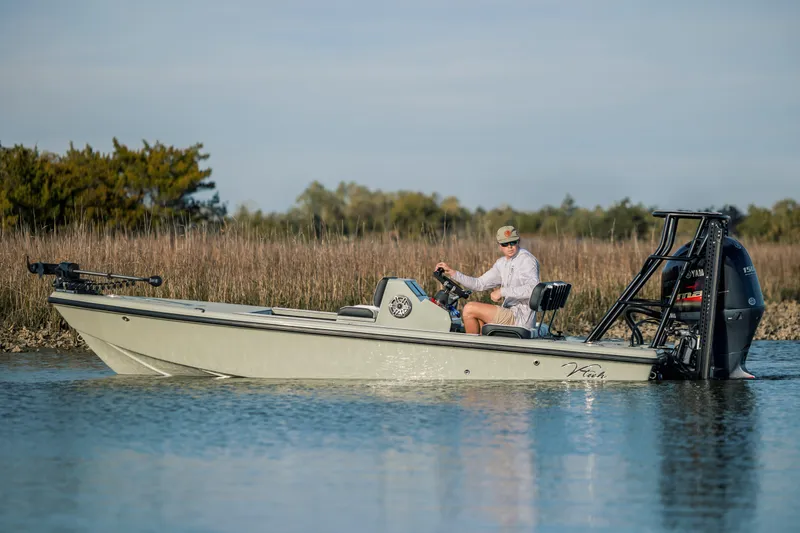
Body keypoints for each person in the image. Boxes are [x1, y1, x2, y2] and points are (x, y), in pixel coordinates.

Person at [436, 226, 540, 334]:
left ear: (518, 241)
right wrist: (453, 273)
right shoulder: (501, 263)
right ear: (499, 245)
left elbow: (533, 289)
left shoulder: (527, 260)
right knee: (479, 318)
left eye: (513, 242)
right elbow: (479, 284)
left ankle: (469, 347)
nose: (509, 247)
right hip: (509, 312)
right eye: (505, 244)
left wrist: (502, 291)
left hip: (521, 318)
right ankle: (480, 348)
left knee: (469, 308)